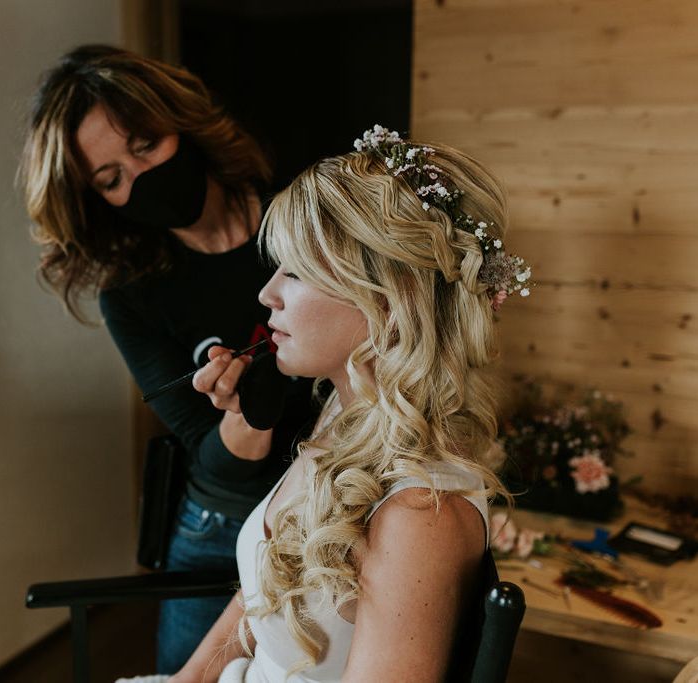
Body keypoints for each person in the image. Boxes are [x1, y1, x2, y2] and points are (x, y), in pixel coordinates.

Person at [114, 125, 531, 683]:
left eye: (297, 272)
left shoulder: (419, 516)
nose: (267, 296)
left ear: (388, 297)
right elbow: (266, 596)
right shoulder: (343, 414)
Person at [19, 44, 317, 674]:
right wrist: (246, 412)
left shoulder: (303, 212)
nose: (138, 176)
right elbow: (203, 446)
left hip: (332, 504)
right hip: (221, 523)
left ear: (178, 120)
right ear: (98, 201)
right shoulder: (130, 294)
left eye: (144, 145)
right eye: (110, 179)